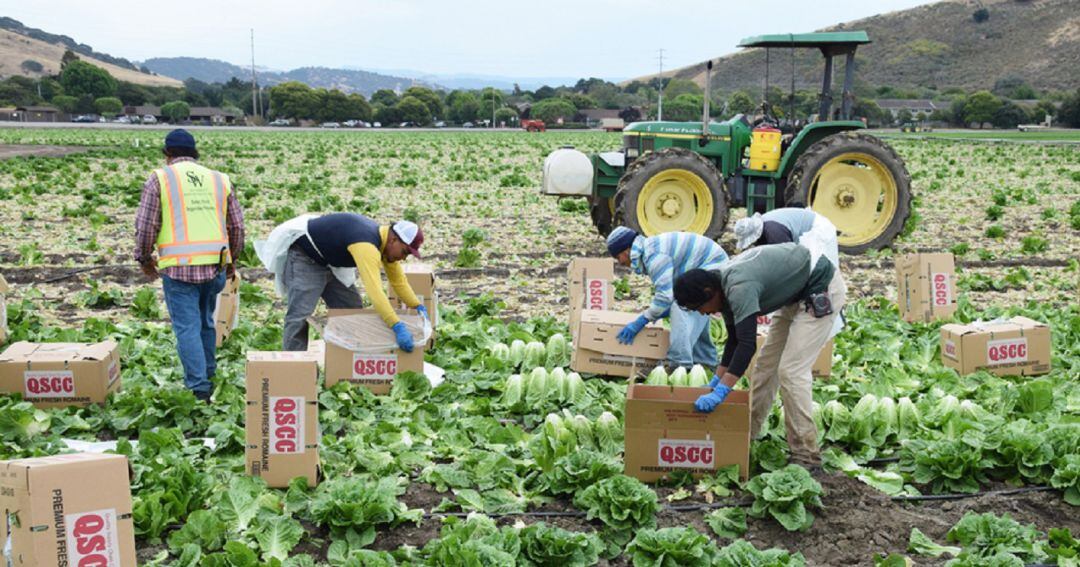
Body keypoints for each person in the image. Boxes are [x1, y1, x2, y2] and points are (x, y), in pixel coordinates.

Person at [672, 243, 846, 466]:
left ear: (708, 292)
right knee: (765, 367)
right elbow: (734, 340)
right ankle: (747, 434)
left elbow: (746, 344)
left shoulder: (738, 287)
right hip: (793, 295)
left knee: (790, 371)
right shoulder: (721, 289)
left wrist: (722, 392)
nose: (703, 313)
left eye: (700, 308)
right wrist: (716, 382)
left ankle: (806, 453)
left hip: (820, 286)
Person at [134, 129, 245, 402]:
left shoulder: (160, 178)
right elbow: (237, 226)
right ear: (195, 152)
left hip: (179, 270)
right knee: (206, 323)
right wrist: (232, 260)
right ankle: (208, 373)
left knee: (187, 328)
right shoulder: (219, 180)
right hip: (214, 265)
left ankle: (198, 388)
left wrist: (144, 257)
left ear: (167, 153)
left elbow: (147, 225)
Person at [260, 212, 427, 352]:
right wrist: (396, 325)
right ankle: (293, 366)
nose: (403, 258)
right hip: (306, 258)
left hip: (330, 262)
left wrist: (417, 306)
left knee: (351, 309)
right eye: (405, 252)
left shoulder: (385, 246)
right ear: (393, 240)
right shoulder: (367, 246)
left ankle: (343, 362)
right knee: (300, 315)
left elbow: (398, 282)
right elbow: (375, 291)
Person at [605, 227, 728, 369]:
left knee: (684, 305)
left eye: (617, 257)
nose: (619, 262)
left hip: (713, 270)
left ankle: (678, 364)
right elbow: (669, 292)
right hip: (705, 269)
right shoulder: (650, 250)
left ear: (626, 251)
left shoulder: (654, 256)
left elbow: (664, 297)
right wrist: (658, 311)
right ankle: (708, 364)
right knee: (694, 314)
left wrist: (642, 321)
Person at [733, 208, 839, 269]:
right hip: (807, 231)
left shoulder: (774, 231)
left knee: (819, 269)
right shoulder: (765, 227)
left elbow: (789, 259)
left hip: (818, 229)